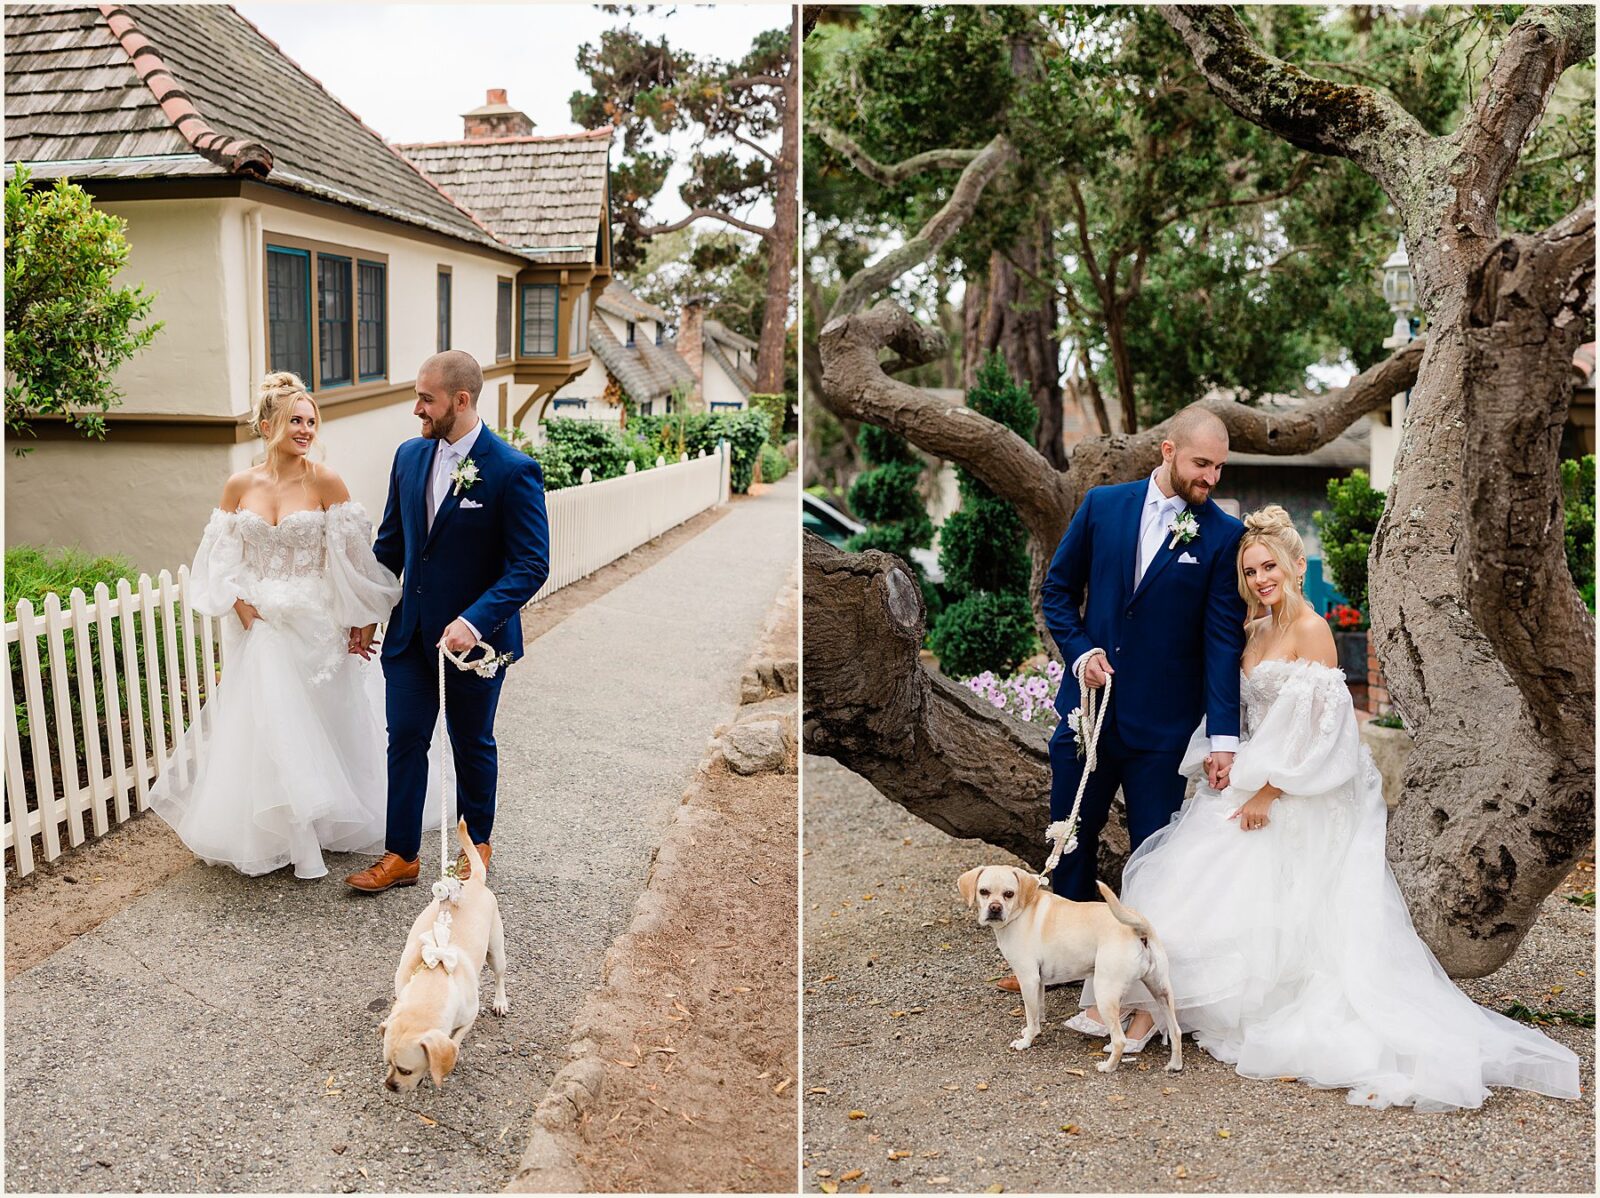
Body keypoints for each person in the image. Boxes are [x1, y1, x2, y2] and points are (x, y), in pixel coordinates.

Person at [1083, 506, 1582, 1110]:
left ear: (1296, 565)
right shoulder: (1254, 630)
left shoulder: (1313, 631)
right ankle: (1148, 1007)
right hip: (1250, 775)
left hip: (1299, 789)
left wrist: (1271, 792)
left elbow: (1328, 732)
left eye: (1269, 566)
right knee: (1185, 872)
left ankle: (1159, 1012)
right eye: (1250, 571)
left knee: (1230, 876)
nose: (1261, 578)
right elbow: (1238, 710)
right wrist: (1224, 758)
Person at [1017, 406, 1245, 1007]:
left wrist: (1224, 737)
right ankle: (1063, 964)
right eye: (1202, 464)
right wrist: (1080, 651)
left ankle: (1147, 978)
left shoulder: (1222, 536)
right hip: (1086, 714)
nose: (1211, 479)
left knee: (1154, 850)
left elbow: (1222, 640)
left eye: (1220, 468)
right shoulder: (1102, 507)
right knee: (1069, 837)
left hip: (1162, 729)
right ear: (1167, 452)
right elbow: (1058, 592)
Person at [150, 372, 415, 878]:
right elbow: (216, 559)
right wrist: (240, 604)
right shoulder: (239, 485)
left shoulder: (326, 481)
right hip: (263, 625)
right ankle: (287, 830)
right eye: (296, 420)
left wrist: (361, 617)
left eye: (312, 421)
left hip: (317, 624)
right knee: (270, 723)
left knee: (328, 722)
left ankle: (329, 819)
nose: (306, 429)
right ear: (268, 423)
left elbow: (352, 559)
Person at [344, 351, 549, 893]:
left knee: (471, 742)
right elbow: (390, 546)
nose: (417, 409)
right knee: (405, 738)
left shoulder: (512, 469)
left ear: (461, 400)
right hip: (410, 635)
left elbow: (531, 563)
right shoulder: (409, 458)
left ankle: (474, 848)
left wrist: (475, 622)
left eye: (426, 398)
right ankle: (401, 855)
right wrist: (366, 613)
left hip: (474, 646)